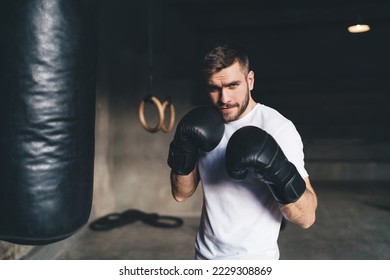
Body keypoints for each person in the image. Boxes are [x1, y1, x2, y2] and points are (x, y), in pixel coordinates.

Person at [167, 43, 317, 260]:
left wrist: (277, 169)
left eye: (233, 85)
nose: (224, 98)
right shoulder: (202, 125)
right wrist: (183, 147)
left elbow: (307, 217)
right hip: (204, 257)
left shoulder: (278, 128)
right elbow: (181, 194)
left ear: (250, 81)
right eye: (214, 88)